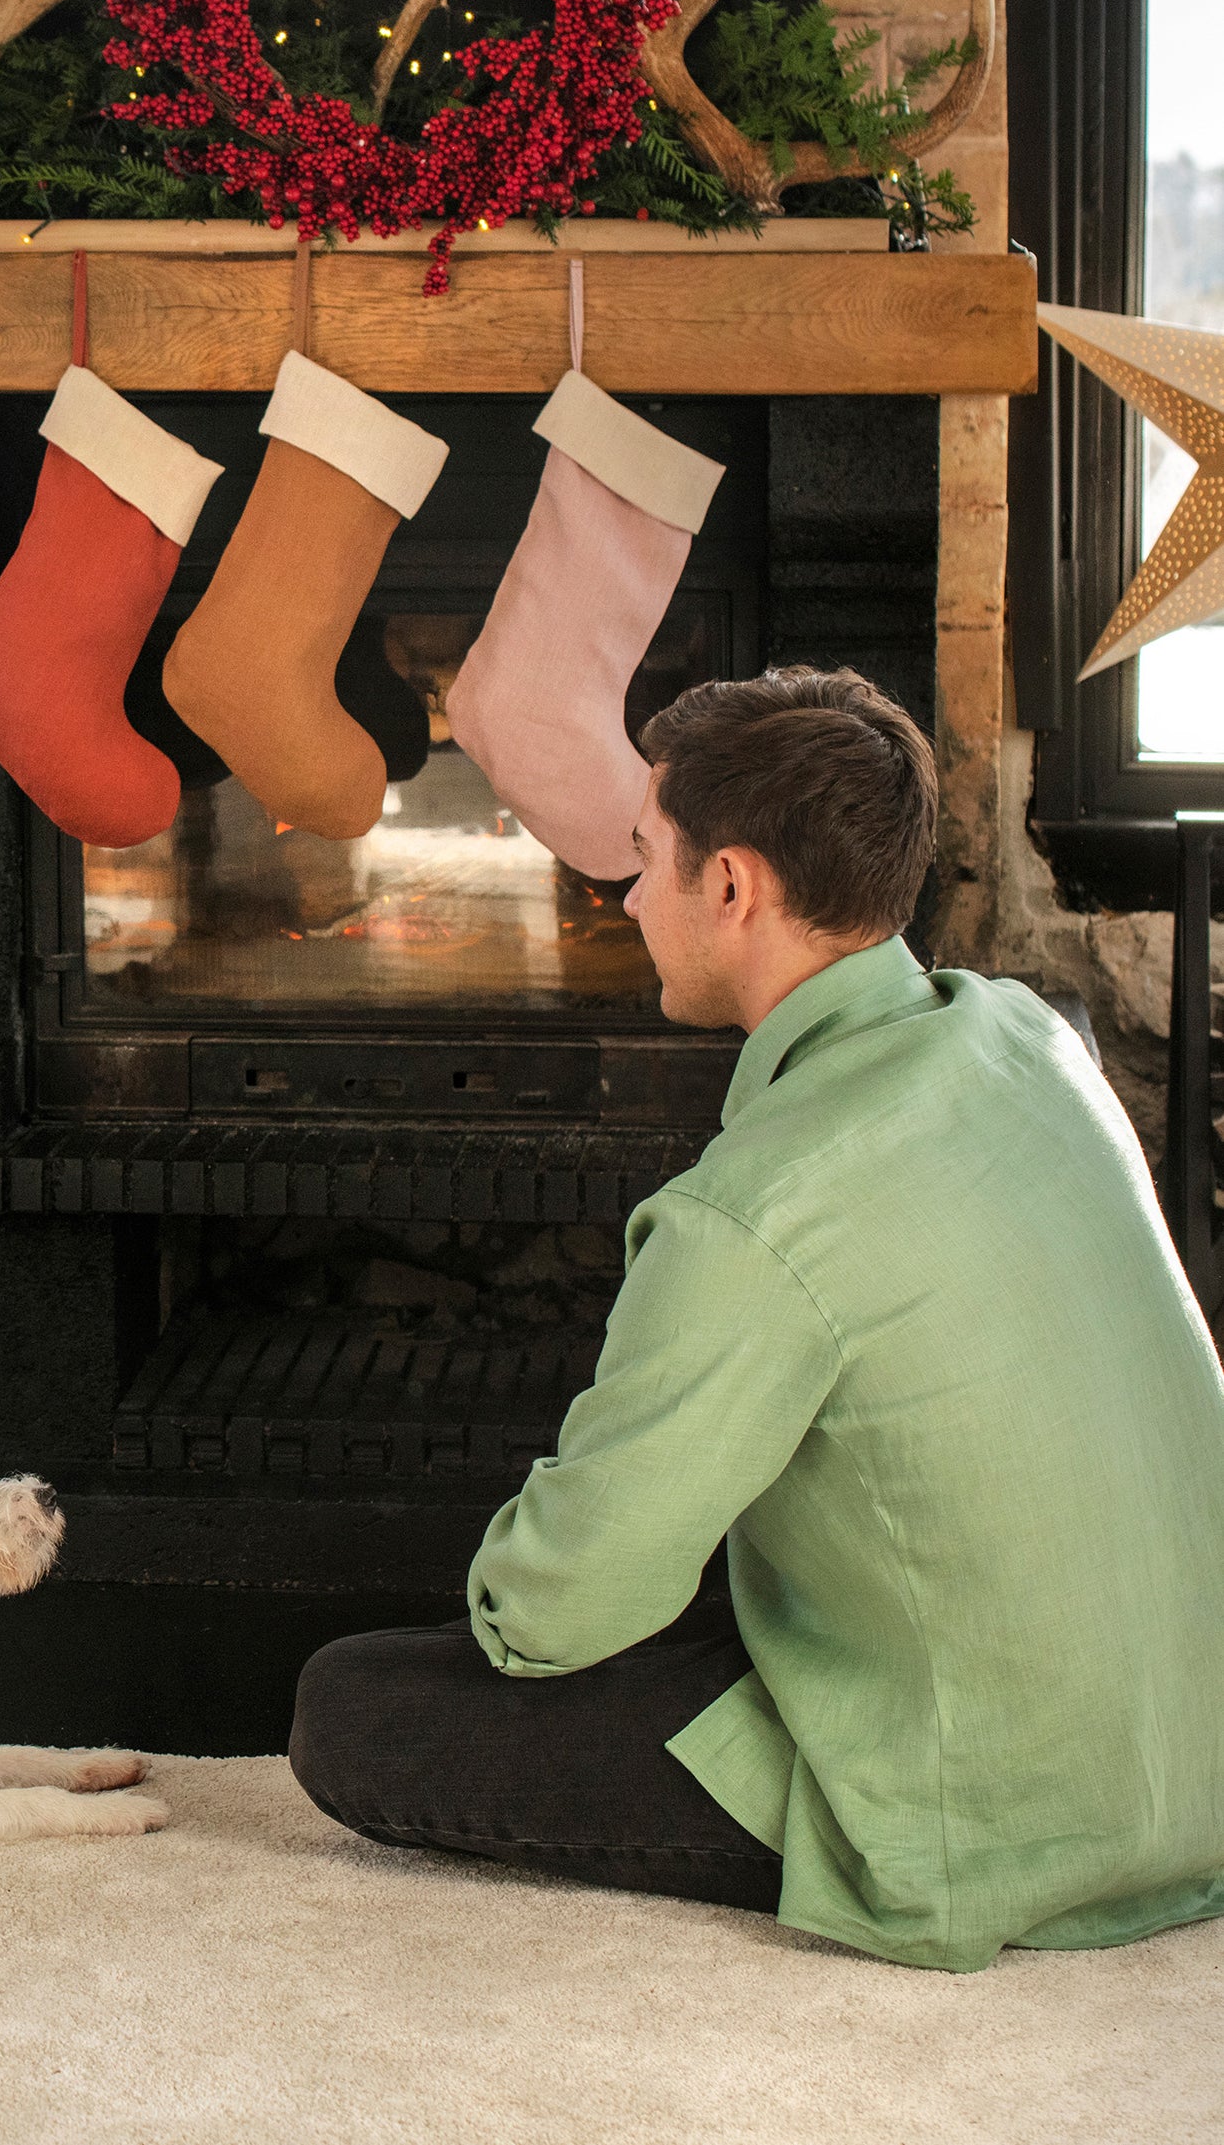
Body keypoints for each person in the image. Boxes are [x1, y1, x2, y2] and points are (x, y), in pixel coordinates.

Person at [288, 666, 1224, 1973]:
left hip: (995, 1804)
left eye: (640, 861)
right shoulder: (1026, 1036)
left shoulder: (751, 1214)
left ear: (729, 886)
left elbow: (550, 1619)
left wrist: (522, 1587)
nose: (622, 899)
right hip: (1192, 1759)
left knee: (352, 1704)